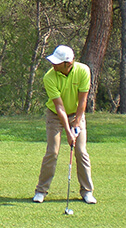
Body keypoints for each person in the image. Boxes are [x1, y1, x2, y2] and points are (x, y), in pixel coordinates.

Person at [32, 45, 96, 204]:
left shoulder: (83, 71)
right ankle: (41, 191)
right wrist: (68, 131)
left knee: (81, 152)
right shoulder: (49, 77)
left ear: (68, 63)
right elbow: (59, 106)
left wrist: (77, 122)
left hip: (76, 114)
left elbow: (83, 100)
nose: (53, 65)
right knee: (52, 152)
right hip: (54, 115)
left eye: (57, 62)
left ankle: (87, 191)